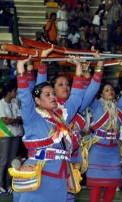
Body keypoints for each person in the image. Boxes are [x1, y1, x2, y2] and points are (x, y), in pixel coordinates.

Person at [14, 56, 85, 202]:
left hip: (59, 174)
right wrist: (20, 68)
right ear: (37, 101)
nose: (53, 96)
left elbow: (77, 97)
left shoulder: (62, 115)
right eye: (47, 95)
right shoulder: (32, 116)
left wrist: (78, 66)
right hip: (39, 171)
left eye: (53, 93)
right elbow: (25, 97)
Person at [78, 63, 122, 202]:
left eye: (112, 89)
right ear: (101, 93)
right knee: (96, 185)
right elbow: (89, 90)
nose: (111, 91)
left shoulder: (119, 107)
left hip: (113, 150)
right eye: (107, 90)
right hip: (98, 149)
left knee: (113, 184)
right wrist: (86, 73)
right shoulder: (96, 105)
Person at [0, 81, 23, 196]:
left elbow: (19, 118)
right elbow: (5, 121)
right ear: (9, 92)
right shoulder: (1, 104)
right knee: (3, 161)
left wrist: (12, 120)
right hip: (4, 136)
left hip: (15, 135)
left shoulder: (14, 103)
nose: (16, 92)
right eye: (14, 90)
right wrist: (14, 120)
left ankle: (9, 184)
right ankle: (0, 185)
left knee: (11, 161)